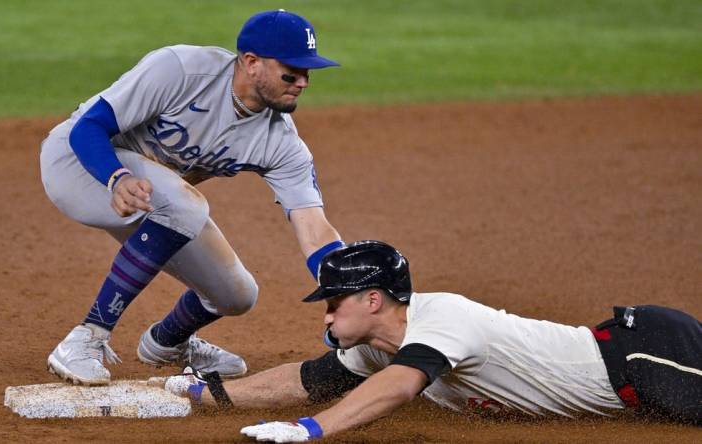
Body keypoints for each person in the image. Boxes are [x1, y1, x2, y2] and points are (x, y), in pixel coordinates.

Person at [39, 10, 347, 386]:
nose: (302, 83)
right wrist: (116, 178)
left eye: (307, 73)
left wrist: (349, 285)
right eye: (291, 72)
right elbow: (89, 128)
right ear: (251, 63)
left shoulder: (281, 145)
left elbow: (313, 226)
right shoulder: (182, 70)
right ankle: (87, 339)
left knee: (237, 295)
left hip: (154, 200)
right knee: (186, 205)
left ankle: (167, 343)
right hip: (80, 164)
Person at [163, 241, 701, 442]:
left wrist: (313, 431)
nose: (326, 313)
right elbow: (309, 381)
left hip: (643, 356)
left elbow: (401, 385)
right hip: (627, 379)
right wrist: (203, 393)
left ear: (373, 300)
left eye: (334, 301)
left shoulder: (442, 318)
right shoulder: (373, 346)